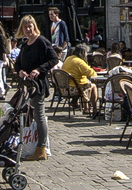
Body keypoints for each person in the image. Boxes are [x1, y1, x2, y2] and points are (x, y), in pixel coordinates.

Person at [12, 16, 55, 160]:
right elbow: (17, 63)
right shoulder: (25, 44)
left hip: (37, 85)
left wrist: (39, 69)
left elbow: (54, 59)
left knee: (39, 115)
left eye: (30, 26)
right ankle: (29, 143)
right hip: (26, 86)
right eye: (25, 27)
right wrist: (20, 71)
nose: (28, 29)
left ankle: (41, 149)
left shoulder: (42, 41)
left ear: (34, 26)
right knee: (27, 115)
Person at [61, 44, 99, 110]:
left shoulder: (68, 59)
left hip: (65, 87)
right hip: (75, 89)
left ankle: (85, 108)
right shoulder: (79, 62)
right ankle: (94, 109)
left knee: (85, 84)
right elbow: (91, 73)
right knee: (93, 86)